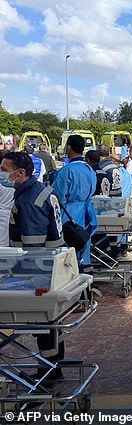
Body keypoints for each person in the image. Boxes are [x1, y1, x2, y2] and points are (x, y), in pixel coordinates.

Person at [4, 151, 66, 381]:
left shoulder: (29, 200)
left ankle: (49, 371)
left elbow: (32, 248)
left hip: (40, 268)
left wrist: (19, 278)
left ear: (20, 173)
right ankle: (52, 366)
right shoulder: (41, 190)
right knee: (51, 324)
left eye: (4, 169)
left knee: (43, 324)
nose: (1, 173)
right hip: (55, 263)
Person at [52, 135, 97, 267]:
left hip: (69, 214)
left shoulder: (67, 170)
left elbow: (57, 197)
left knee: (69, 254)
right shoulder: (90, 170)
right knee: (83, 244)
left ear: (69, 147)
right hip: (87, 214)